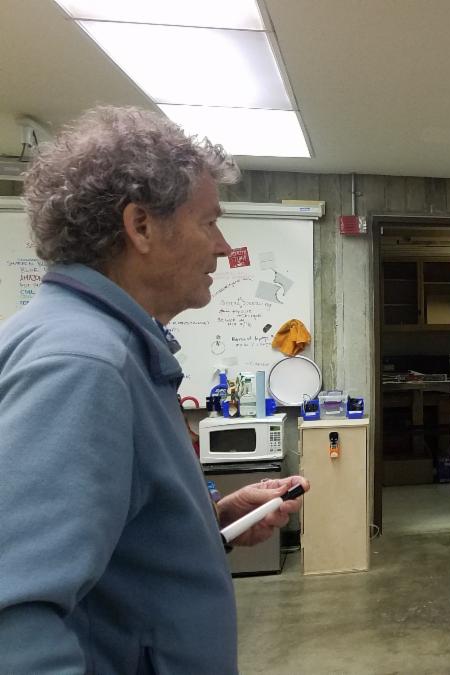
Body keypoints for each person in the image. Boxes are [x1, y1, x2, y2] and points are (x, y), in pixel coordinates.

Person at [0, 106, 309, 673]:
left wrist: (210, 519)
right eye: (208, 221)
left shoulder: (105, 343)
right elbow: (16, 617)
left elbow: (115, 549)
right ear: (140, 226)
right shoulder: (83, 365)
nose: (222, 246)